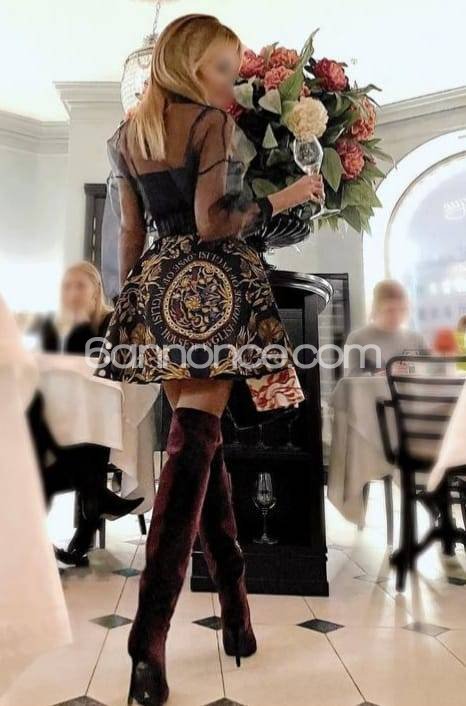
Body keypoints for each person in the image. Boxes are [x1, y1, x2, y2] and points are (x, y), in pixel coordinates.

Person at [97, 14, 323, 706]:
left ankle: (235, 609)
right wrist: (286, 197)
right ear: (194, 65)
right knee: (195, 447)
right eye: (224, 68)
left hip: (158, 291)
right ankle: (148, 638)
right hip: (215, 289)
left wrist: (129, 307)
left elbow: (130, 232)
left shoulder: (126, 135)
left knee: (201, 448)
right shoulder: (209, 124)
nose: (232, 83)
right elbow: (215, 222)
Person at [29, 262, 142, 566]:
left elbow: (105, 367)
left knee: (53, 465)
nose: (73, 293)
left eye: (80, 285)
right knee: (36, 421)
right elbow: (43, 370)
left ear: (95, 291)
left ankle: (88, 509)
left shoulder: (110, 322)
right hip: (60, 423)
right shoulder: (54, 326)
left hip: (100, 419)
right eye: (67, 287)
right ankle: (96, 496)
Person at [344, 279, 428, 376]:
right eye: (390, 310)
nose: (397, 316)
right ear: (377, 308)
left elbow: (432, 372)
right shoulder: (356, 339)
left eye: (402, 310)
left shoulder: (417, 339)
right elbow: (350, 380)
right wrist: (384, 375)